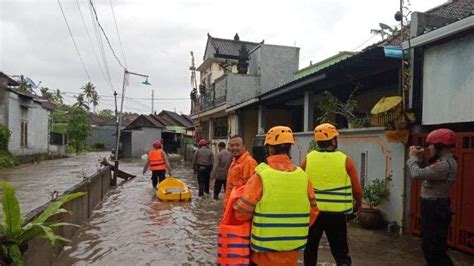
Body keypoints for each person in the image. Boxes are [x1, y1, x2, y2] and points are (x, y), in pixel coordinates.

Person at [233, 126, 319, 266]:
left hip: (263, 255)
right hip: (292, 253)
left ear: (270, 149)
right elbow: (313, 212)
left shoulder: (261, 176)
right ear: (290, 148)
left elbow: (241, 213)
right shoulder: (304, 177)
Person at [302, 123, 362, 266]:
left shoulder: (308, 159)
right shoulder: (345, 160)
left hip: (314, 213)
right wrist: (358, 204)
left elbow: (300, 181)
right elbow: (357, 189)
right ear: (334, 140)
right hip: (337, 215)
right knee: (340, 252)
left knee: (310, 250)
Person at [406, 128, 457, 266]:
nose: (428, 148)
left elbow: (417, 174)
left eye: (431, 145)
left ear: (440, 146)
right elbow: (426, 172)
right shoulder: (443, 162)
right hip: (434, 207)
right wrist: (420, 159)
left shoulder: (444, 165)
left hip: (435, 208)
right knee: (430, 245)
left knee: (434, 248)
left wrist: (413, 158)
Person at [223, 135, 257, 208]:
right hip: (230, 205)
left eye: (237, 145)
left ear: (243, 146)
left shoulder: (249, 162)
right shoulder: (235, 161)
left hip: (239, 208)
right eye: (232, 145)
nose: (234, 148)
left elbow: (250, 191)